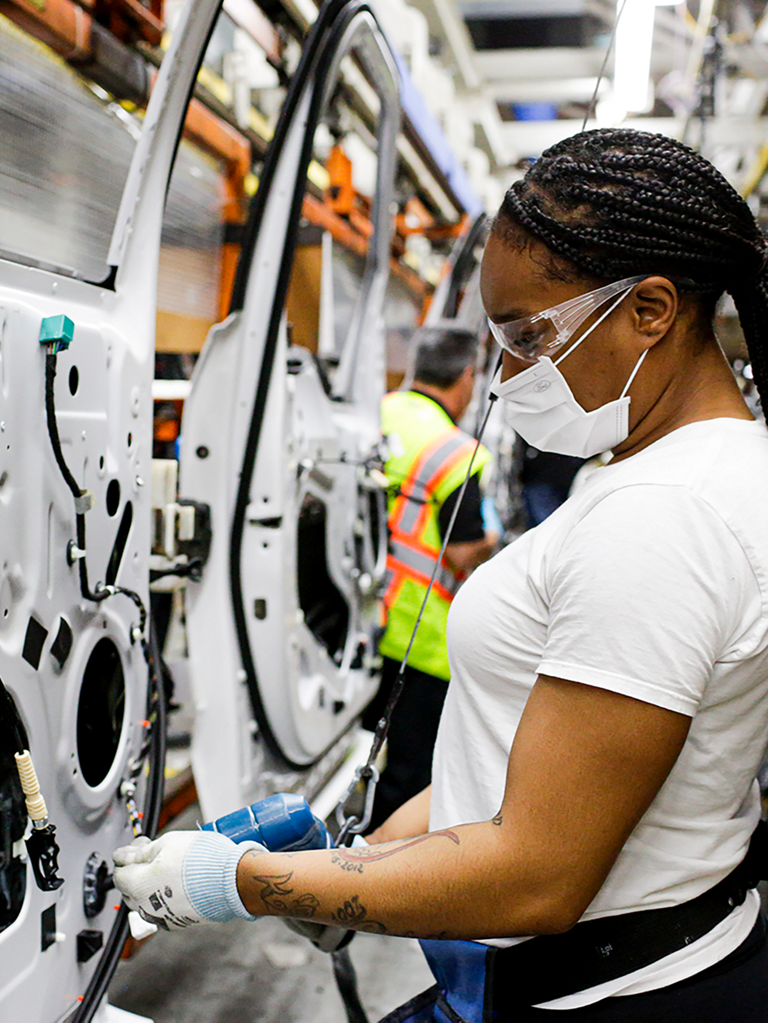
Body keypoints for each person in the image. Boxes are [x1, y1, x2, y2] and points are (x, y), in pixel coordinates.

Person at [114, 129, 768, 1022]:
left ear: (650, 309)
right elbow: (520, 756)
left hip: (599, 989)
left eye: (529, 335)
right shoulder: (668, 470)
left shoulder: (665, 517)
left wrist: (249, 882)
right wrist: (357, 864)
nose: (502, 377)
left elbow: (536, 874)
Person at [363, 324, 497, 831]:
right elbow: (463, 552)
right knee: (410, 772)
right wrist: (493, 545)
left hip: (356, 621)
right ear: (467, 376)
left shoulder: (373, 413)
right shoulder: (458, 452)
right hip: (420, 634)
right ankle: (377, 873)